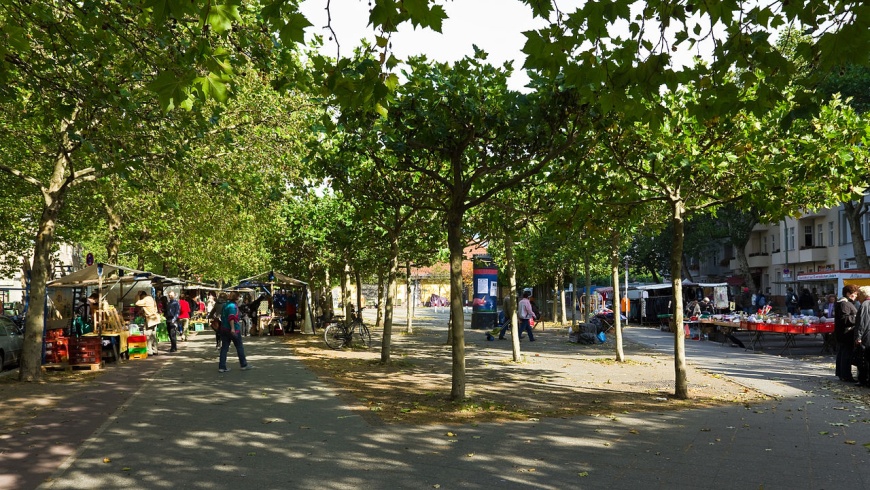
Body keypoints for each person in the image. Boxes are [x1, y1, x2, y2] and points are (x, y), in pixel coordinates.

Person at [218, 291, 252, 373]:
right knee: (239, 346)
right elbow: (231, 318)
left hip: (224, 329)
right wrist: (232, 328)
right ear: (236, 298)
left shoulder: (226, 305)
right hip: (233, 330)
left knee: (224, 348)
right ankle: (243, 364)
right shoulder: (233, 306)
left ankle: (222, 367)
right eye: (239, 297)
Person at [834, 285, 859, 383]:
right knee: (846, 354)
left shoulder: (843, 303)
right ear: (848, 294)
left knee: (842, 353)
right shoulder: (844, 304)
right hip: (846, 334)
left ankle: (842, 374)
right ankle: (846, 375)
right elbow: (845, 319)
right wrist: (858, 318)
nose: (856, 296)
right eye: (854, 294)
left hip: (843, 333)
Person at [853, 286, 870, 387]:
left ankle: (863, 379)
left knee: (864, 358)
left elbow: (862, 322)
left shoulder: (865, 304)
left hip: (866, 335)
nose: (858, 297)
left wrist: (858, 337)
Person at [135, 291, 161, 356]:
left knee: (148, 335)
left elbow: (137, 303)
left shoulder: (145, 299)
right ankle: (155, 350)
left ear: (142, 296)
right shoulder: (151, 298)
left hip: (150, 319)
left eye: (141, 297)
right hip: (155, 319)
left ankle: (150, 351)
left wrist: (137, 295)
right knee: (153, 335)